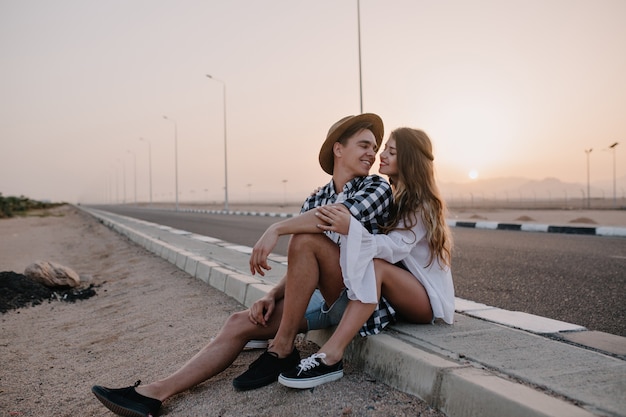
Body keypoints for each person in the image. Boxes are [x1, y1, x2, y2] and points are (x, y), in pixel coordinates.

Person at [91, 113, 393, 417]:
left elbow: (332, 218)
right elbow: (304, 266)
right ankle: (154, 394)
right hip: (321, 297)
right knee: (240, 321)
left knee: (303, 239)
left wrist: (276, 228)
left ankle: (282, 348)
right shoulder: (317, 196)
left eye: (375, 147)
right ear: (338, 149)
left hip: (355, 298)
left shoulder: (377, 188)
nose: (372, 153)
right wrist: (271, 296)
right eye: (364, 145)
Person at [276, 127, 455, 389]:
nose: (380, 155)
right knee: (371, 264)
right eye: (385, 149)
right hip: (401, 290)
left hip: (426, 299)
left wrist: (352, 228)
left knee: (376, 266)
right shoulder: (395, 195)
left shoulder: (421, 203)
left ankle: (331, 355)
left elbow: (394, 248)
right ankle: (283, 342)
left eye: (391, 152)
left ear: (409, 160)